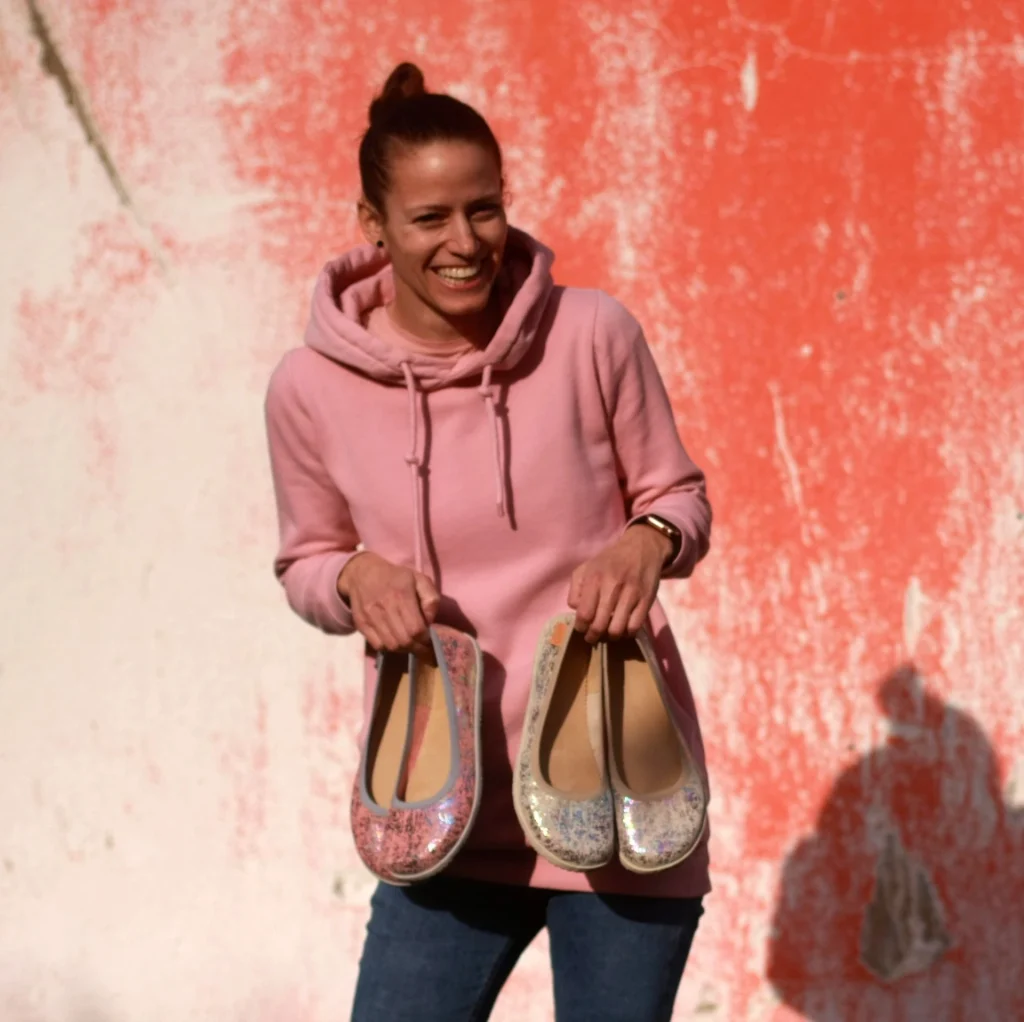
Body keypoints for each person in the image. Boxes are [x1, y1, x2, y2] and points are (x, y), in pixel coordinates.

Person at [264, 62, 713, 1022]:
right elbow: (305, 560)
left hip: (615, 790)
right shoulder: (308, 387)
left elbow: (678, 497)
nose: (464, 242)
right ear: (372, 223)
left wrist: (645, 542)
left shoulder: (592, 333)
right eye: (430, 218)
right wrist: (353, 578)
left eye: (485, 209)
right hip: (438, 806)